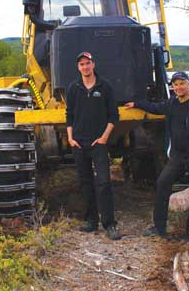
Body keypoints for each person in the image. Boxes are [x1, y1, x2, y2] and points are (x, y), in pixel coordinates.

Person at [125, 71, 189, 243]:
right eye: (176, 84)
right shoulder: (172, 103)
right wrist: (137, 103)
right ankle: (159, 227)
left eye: (182, 83)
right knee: (162, 183)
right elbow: (156, 107)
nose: (179, 87)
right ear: (173, 87)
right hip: (178, 157)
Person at [66, 51, 121, 240]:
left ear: (93, 64)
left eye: (87, 63)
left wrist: (104, 137)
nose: (85, 67)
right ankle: (91, 220)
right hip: (79, 143)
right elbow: (69, 116)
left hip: (99, 142)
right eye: (81, 64)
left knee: (104, 181)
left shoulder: (104, 86)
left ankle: (110, 224)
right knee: (85, 183)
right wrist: (71, 139)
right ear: (78, 67)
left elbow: (114, 116)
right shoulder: (73, 88)